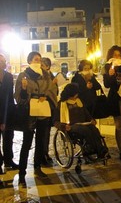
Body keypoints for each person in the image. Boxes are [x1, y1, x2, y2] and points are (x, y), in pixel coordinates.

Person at [14, 52, 57, 187]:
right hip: (29, 114)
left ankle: (38, 167)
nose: (38, 62)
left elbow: (52, 90)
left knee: (41, 141)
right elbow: (18, 97)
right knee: (26, 143)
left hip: (43, 112)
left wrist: (46, 96)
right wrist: (25, 89)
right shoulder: (23, 75)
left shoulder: (46, 75)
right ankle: (22, 173)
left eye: (39, 59)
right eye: (35, 59)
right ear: (29, 61)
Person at [54, 83, 108, 158]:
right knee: (85, 130)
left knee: (94, 129)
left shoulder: (79, 101)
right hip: (70, 127)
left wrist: (91, 120)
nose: (77, 95)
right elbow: (55, 121)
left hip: (83, 123)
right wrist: (63, 126)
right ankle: (94, 148)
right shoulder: (61, 104)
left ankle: (100, 149)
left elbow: (86, 113)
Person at [0, 54, 18, 173]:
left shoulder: (9, 76)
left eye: (4, 61)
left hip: (7, 111)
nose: (3, 63)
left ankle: (8, 160)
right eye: (1, 61)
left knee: (8, 138)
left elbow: (10, 96)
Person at [41, 57, 58, 165]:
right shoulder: (41, 76)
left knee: (46, 132)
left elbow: (55, 92)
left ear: (47, 66)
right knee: (43, 132)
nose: (40, 67)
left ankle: (45, 153)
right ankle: (42, 154)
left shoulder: (50, 76)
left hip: (50, 106)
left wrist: (54, 84)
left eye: (42, 65)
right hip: (43, 107)